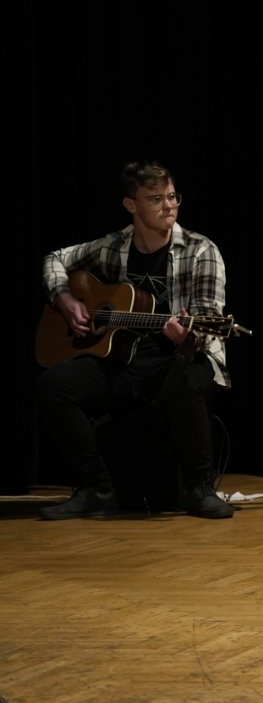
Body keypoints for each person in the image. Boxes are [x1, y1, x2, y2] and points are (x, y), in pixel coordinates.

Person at [35, 161, 234, 520]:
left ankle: (198, 488)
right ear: (131, 205)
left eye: (172, 196)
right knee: (54, 386)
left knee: (186, 378)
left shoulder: (200, 250)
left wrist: (187, 334)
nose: (169, 206)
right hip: (124, 359)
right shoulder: (113, 247)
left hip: (184, 355)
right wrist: (65, 299)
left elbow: (206, 319)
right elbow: (55, 259)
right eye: (156, 199)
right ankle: (97, 488)